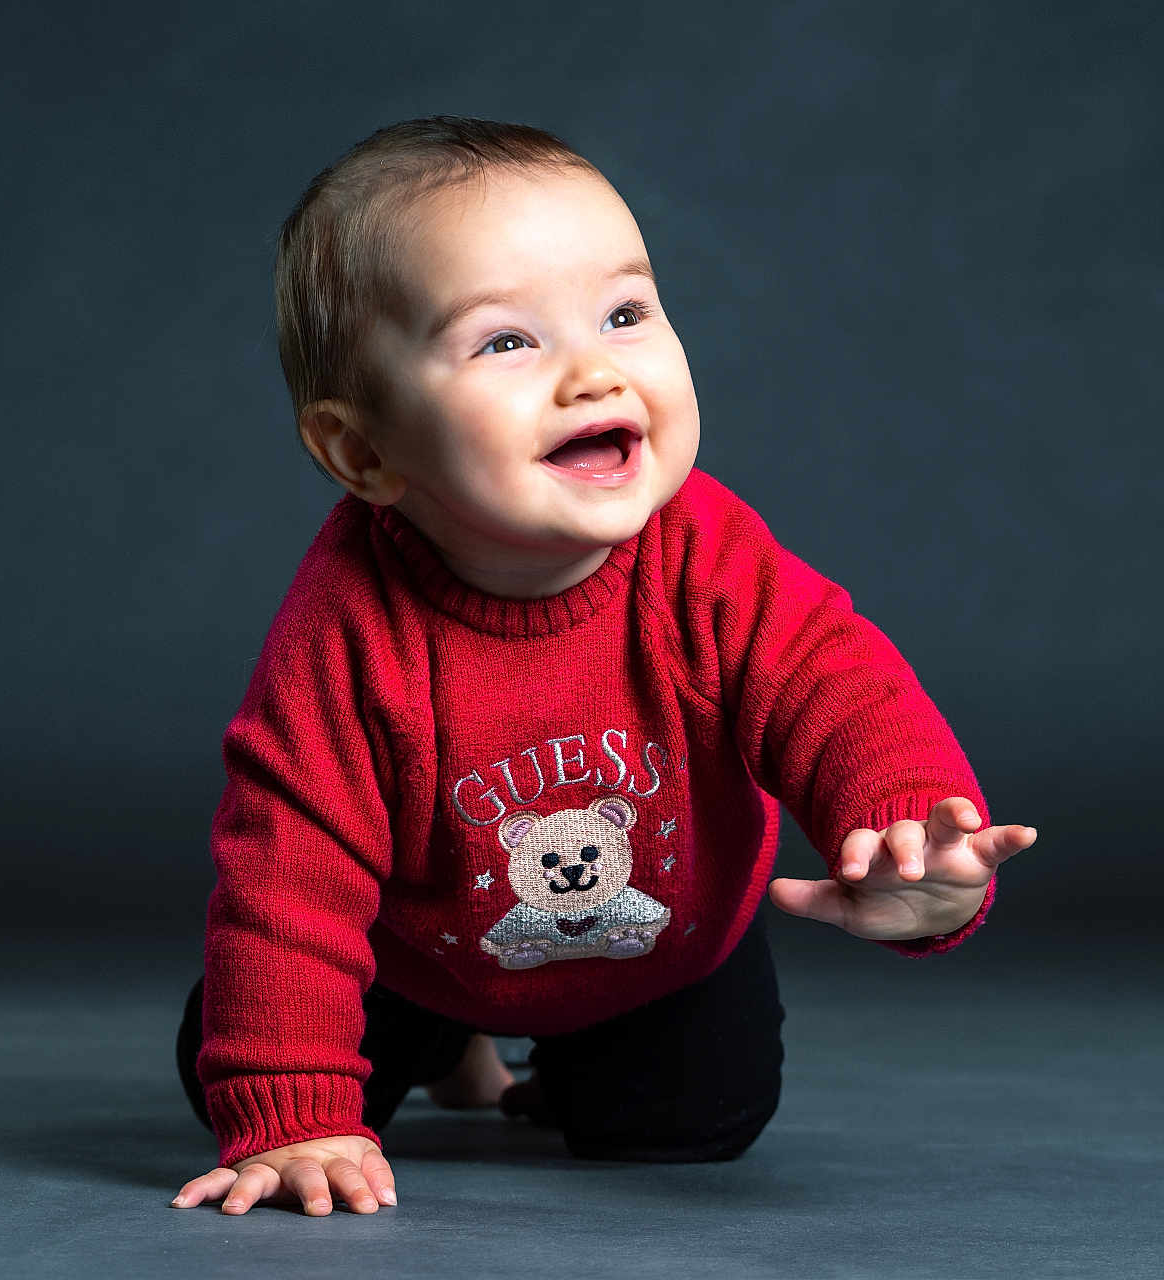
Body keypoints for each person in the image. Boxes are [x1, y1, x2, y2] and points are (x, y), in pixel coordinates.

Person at [169, 115, 1038, 1219]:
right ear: (362, 451)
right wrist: (291, 1109)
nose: (591, 371)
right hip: (412, 951)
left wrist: (907, 826)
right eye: (504, 342)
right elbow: (288, 871)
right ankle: (442, 1035)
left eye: (623, 314)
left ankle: (559, 1064)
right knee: (240, 1075)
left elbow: (833, 682)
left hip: (663, 952)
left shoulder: (707, 556)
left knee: (693, 1127)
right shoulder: (346, 631)